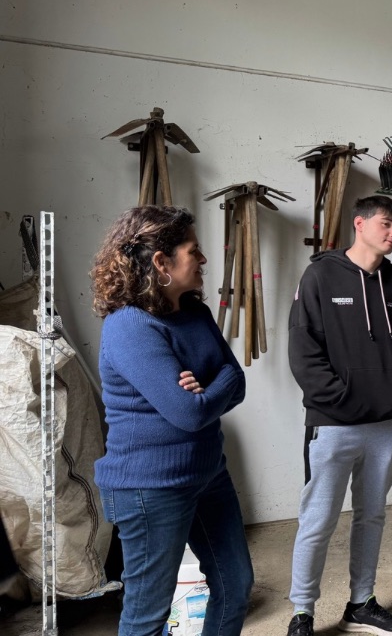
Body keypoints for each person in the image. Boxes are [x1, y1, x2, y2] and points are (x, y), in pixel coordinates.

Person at [90, 205, 252, 635]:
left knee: (236, 587)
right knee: (147, 615)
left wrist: (208, 386)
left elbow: (236, 381)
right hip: (150, 488)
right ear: (161, 262)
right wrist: (210, 387)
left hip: (208, 474)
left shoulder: (196, 313)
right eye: (193, 251)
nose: (203, 259)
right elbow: (188, 412)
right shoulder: (129, 326)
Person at [286, 196, 392, 636]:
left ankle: (361, 603)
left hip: (386, 426)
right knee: (318, 520)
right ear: (359, 224)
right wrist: (343, 400)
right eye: (386, 224)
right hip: (332, 425)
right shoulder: (320, 276)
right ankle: (302, 613)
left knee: (372, 516)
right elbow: (303, 351)